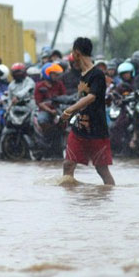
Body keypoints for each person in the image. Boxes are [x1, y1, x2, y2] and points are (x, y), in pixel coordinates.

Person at [61, 37, 114, 185]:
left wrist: (70, 110)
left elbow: (91, 97)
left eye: (73, 52)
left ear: (77, 53)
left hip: (97, 129)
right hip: (79, 128)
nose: (72, 56)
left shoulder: (97, 74)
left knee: (102, 170)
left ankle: (109, 197)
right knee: (68, 164)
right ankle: (70, 203)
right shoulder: (82, 74)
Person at [34, 62, 66, 133]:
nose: (57, 76)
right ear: (47, 74)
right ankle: (48, 136)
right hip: (46, 110)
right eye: (54, 74)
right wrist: (50, 111)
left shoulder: (59, 84)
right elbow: (39, 103)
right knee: (42, 120)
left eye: (57, 74)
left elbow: (64, 97)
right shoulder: (39, 86)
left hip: (59, 109)